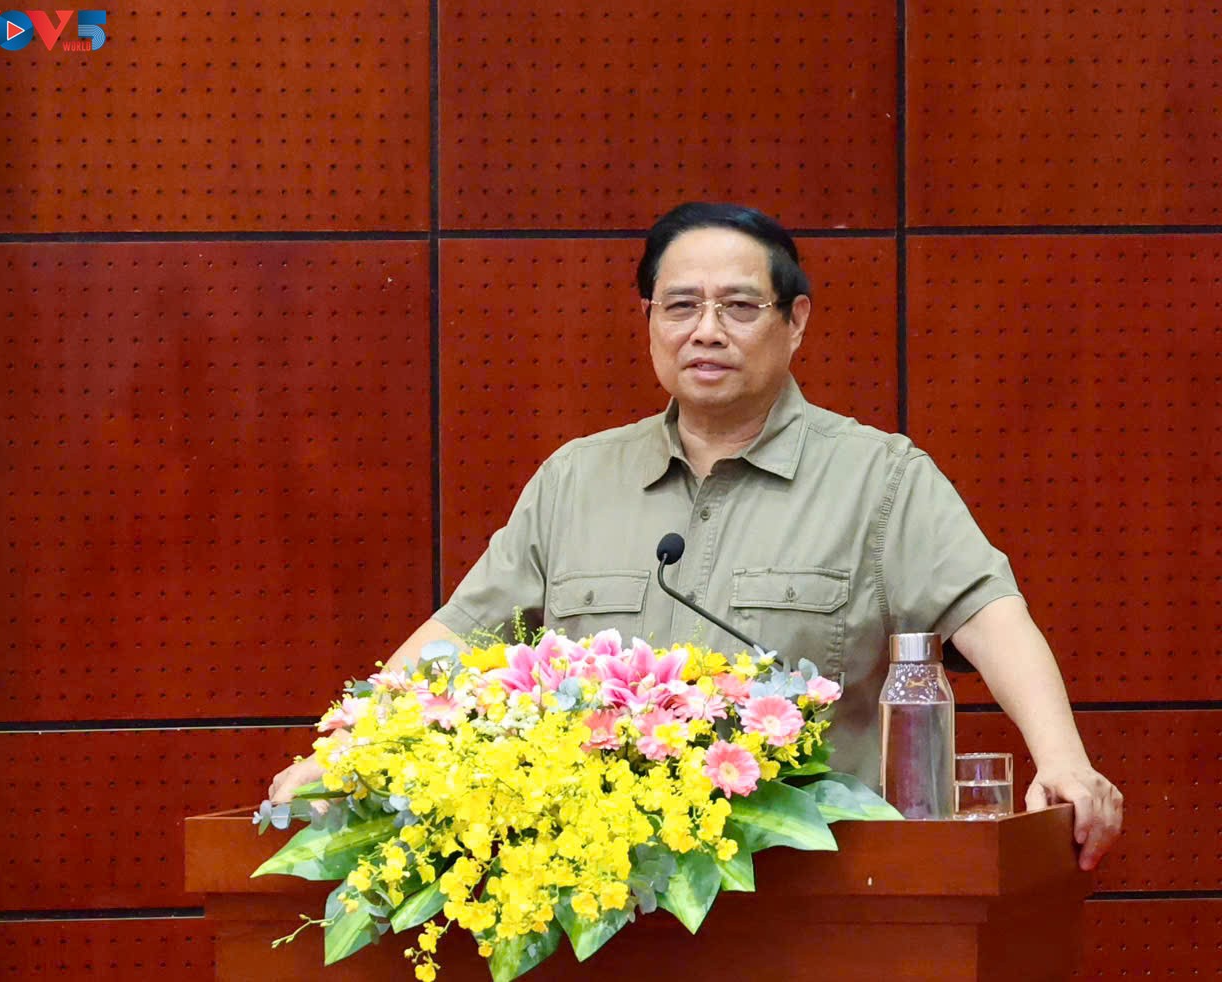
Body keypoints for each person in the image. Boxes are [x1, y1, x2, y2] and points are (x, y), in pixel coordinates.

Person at [270, 202, 1123, 870]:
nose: (705, 330)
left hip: (816, 895)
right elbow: (460, 637)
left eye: (739, 306)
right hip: (594, 892)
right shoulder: (576, 480)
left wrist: (1064, 761)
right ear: (649, 320)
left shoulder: (880, 478)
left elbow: (988, 614)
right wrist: (344, 753)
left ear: (795, 321)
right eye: (680, 306)